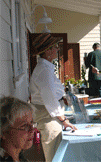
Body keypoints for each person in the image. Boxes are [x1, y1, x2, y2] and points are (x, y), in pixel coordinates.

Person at [29, 34, 78, 162]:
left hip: (50, 115)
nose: (57, 49)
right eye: (55, 47)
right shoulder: (43, 71)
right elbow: (50, 100)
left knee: (56, 153)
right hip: (48, 117)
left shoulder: (45, 68)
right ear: (47, 51)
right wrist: (63, 120)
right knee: (54, 155)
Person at [0, 96, 36, 162]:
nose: (32, 130)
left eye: (31, 122)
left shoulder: (19, 155)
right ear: (3, 131)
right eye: (24, 126)